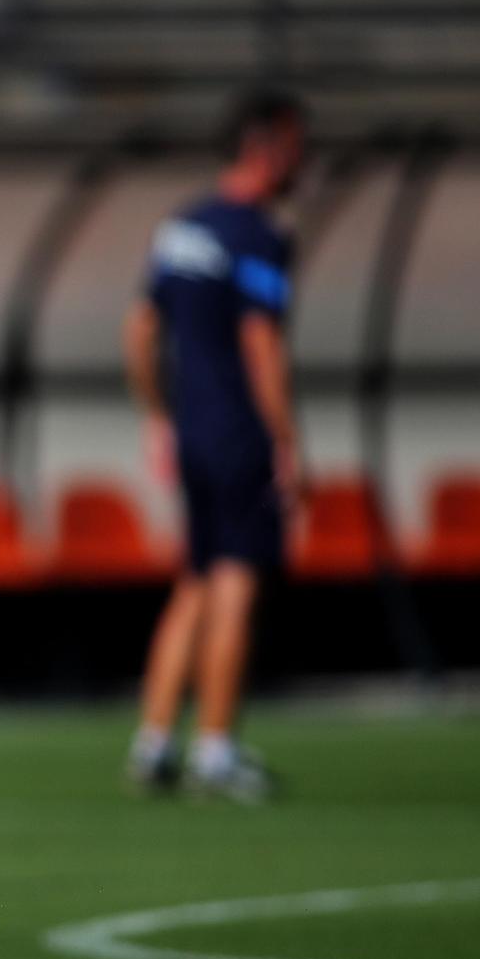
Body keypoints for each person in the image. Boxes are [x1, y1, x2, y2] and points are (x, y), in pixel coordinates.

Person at [122, 90, 308, 804]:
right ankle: (216, 749)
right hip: (237, 430)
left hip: (192, 429)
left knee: (195, 579)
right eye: (297, 146)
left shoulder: (183, 226)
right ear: (268, 147)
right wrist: (286, 439)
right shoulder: (259, 233)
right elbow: (261, 341)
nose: (303, 161)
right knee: (236, 580)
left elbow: (141, 329)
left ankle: (154, 741)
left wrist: (158, 415)